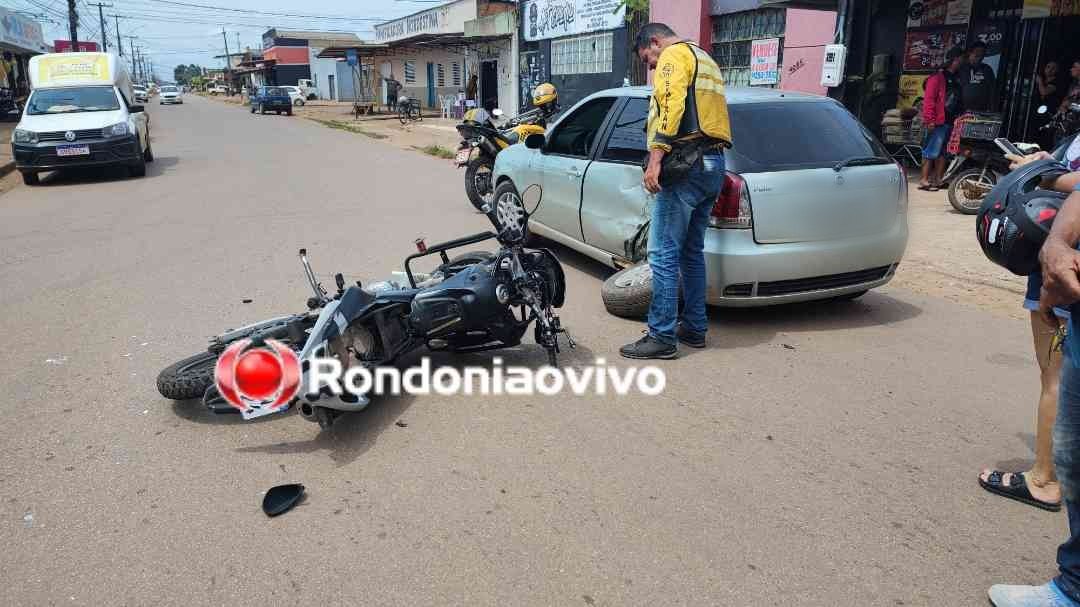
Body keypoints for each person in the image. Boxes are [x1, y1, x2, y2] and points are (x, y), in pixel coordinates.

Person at [988, 151, 1080, 606]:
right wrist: (1057, 244)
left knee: (1053, 377)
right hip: (1066, 279)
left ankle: (1044, 478)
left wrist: (1046, 173)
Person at [619, 23, 732, 360]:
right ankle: (695, 328)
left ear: (655, 42)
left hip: (685, 164)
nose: (652, 67)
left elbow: (670, 106)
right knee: (691, 252)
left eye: (648, 60)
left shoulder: (673, 56)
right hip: (714, 163)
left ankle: (662, 336)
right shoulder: (704, 57)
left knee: (663, 254)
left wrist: (655, 160)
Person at [919, 46, 965, 192]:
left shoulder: (957, 78)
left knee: (944, 152)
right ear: (955, 60)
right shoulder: (937, 77)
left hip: (951, 120)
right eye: (960, 58)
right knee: (931, 151)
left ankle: (938, 179)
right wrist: (929, 119)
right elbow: (929, 100)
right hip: (938, 121)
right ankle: (924, 180)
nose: (962, 61)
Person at [960, 41, 997, 113]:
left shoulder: (987, 69)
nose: (979, 57)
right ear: (970, 53)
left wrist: (992, 109)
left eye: (982, 55)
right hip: (962, 111)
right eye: (977, 54)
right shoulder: (961, 67)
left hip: (981, 112)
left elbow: (992, 91)